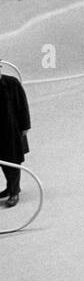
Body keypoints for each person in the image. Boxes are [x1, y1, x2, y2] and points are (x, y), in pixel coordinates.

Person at [0, 69, 30, 209]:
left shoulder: (11, 83)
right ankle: (9, 188)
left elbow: (22, 105)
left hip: (11, 131)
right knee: (2, 162)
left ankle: (14, 192)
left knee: (12, 161)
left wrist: (25, 126)